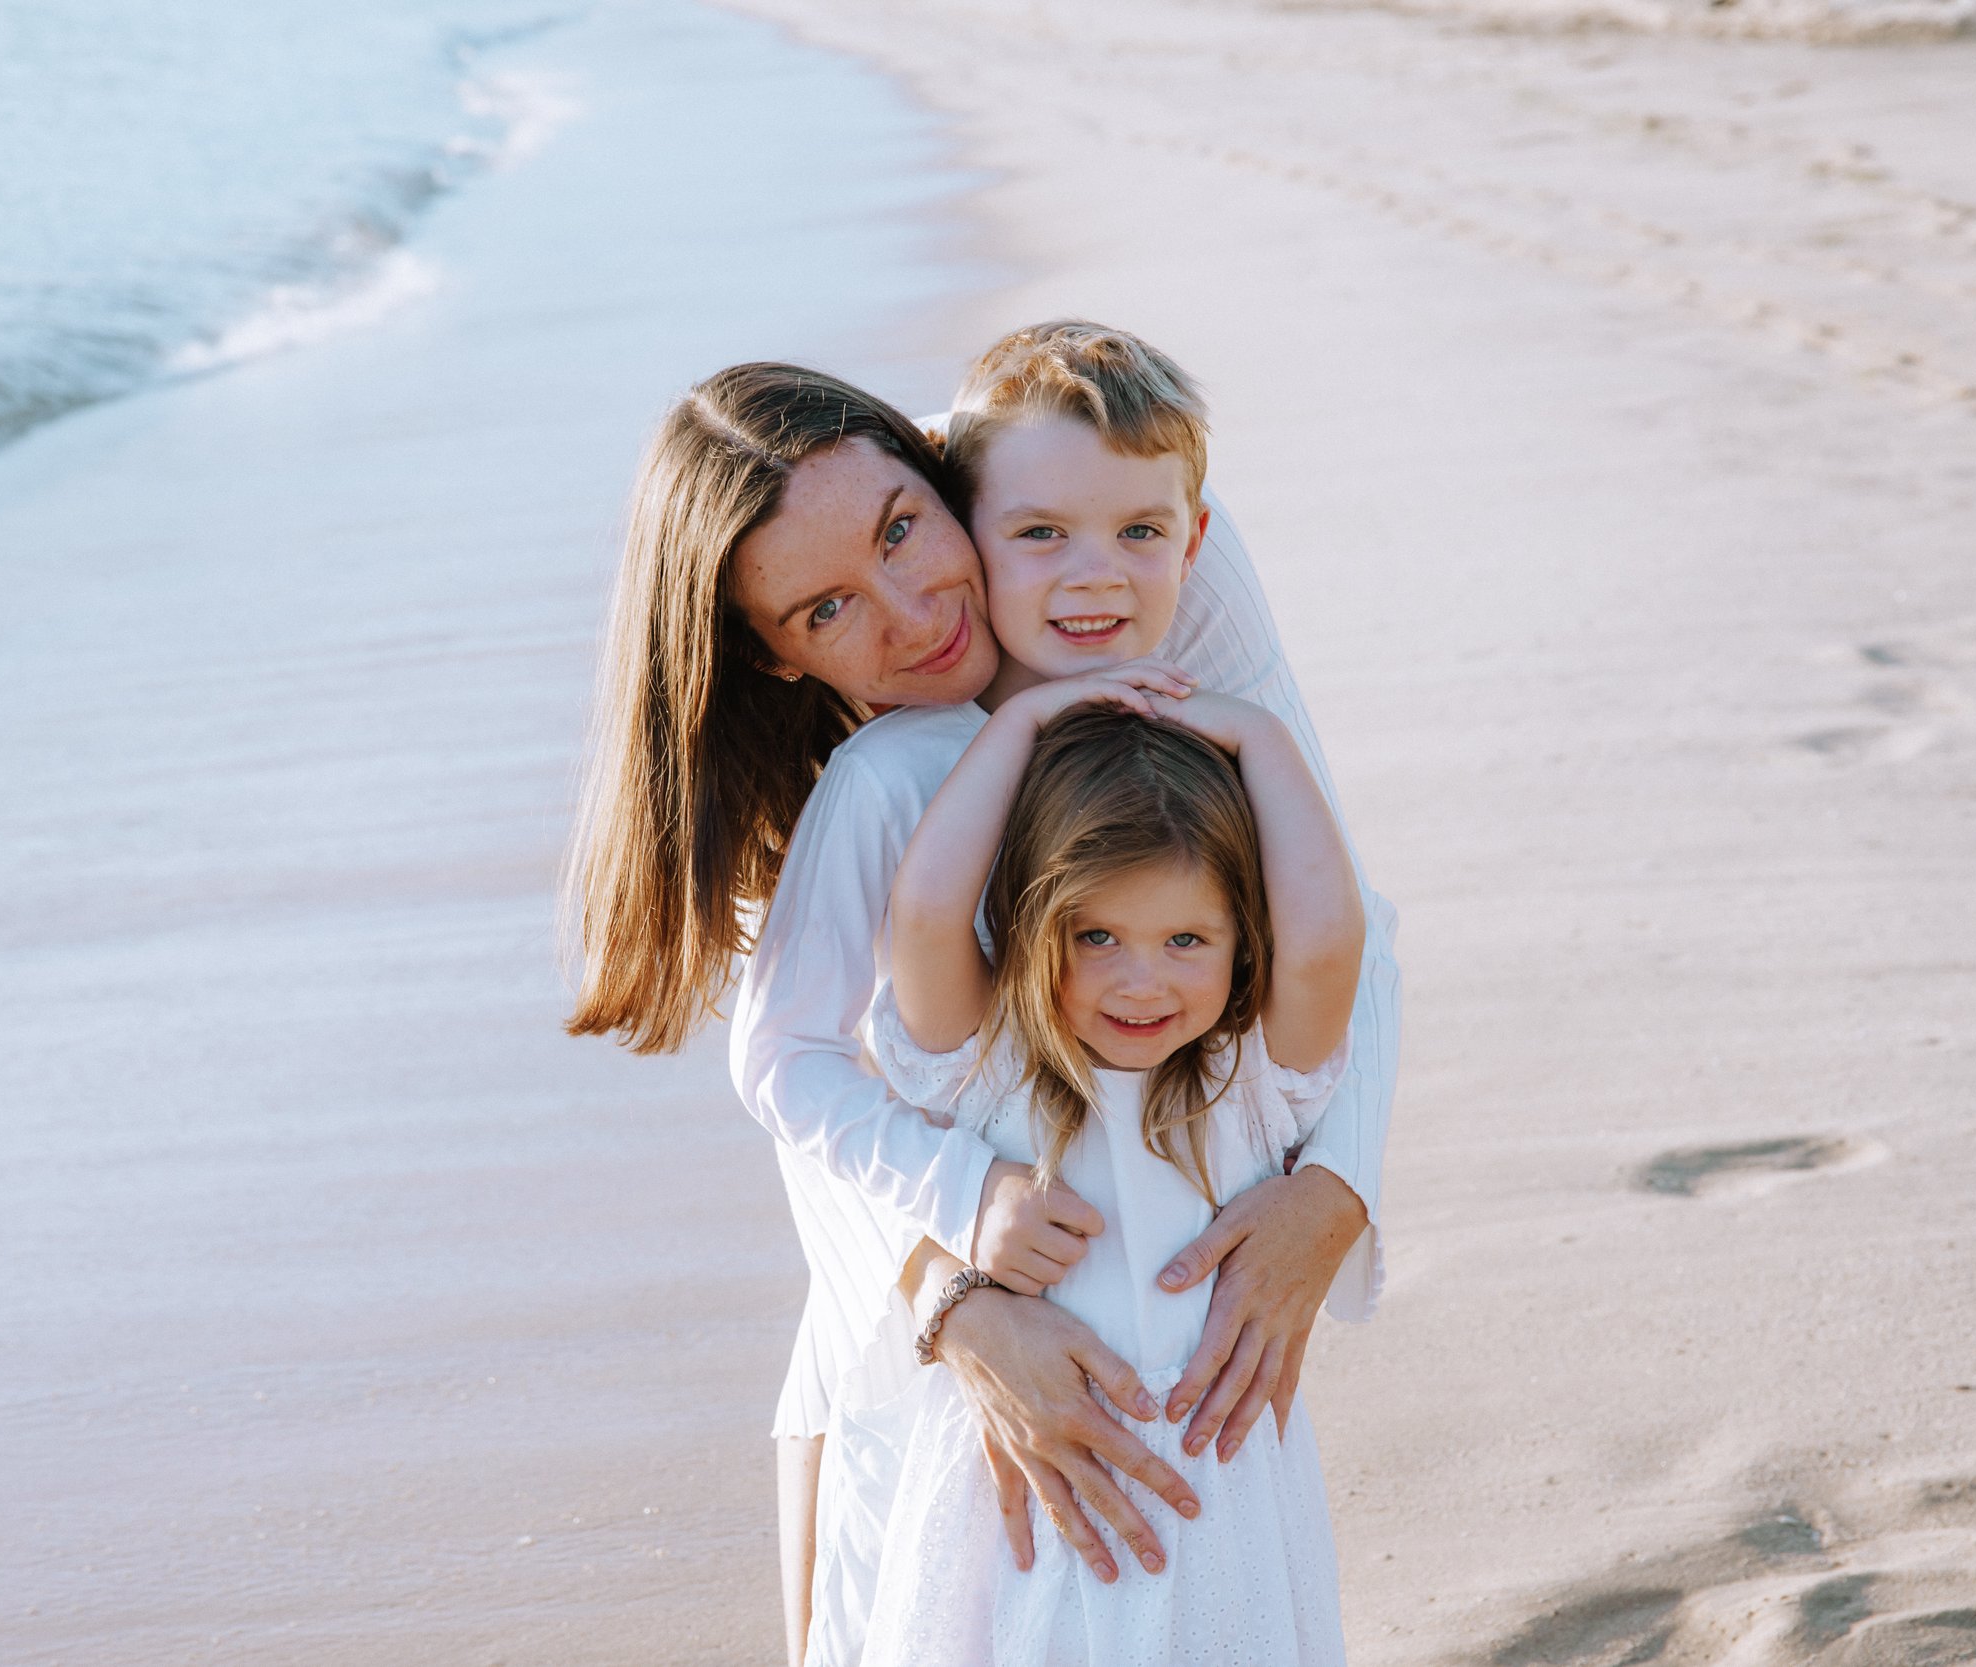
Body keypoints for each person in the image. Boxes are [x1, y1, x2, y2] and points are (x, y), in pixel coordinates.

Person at [566, 326, 1399, 1664]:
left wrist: (1333, 1184)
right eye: (825, 608)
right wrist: (954, 1296)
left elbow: (1343, 910)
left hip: (1110, 1227)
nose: (912, 614)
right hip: (926, 1196)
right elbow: (808, 1077)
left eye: (904, 529)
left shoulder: (1114, 518)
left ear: (939, 472)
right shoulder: (857, 792)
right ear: (772, 649)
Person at [850, 692, 1361, 1664]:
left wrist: (1262, 734)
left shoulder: (1248, 1076)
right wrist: (1019, 724)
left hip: (1219, 1495)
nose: (1141, 980)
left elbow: (1332, 934)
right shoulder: (990, 1061)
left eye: (1186, 939)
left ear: (1243, 935)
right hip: (1031, 1480)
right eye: (1097, 937)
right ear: (1036, 926)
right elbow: (922, 913)